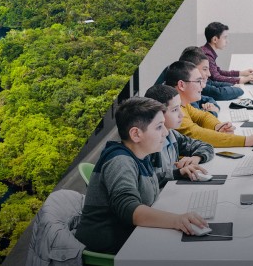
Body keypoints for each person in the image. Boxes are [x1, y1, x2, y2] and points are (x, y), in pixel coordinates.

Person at [75, 97, 208, 255]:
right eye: (159, 127)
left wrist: (178, 172)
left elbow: (147, 181)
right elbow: (129, 208)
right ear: (136, 134)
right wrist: (177, 220)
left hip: (131, 235)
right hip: (114, 246)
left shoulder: (140, 155)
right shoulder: (120, 161)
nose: (166, 132)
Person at [164, 60, 253, 147]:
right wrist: (247, 140)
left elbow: (203, 116)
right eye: (198, 81)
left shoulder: (182, 103)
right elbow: (197, 134)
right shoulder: (173, 111)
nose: (203, 86)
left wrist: (217, 126)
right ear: (181, 85)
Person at [145, 84, 214, 188]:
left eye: (180, 107)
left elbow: (205, 146)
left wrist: (197, 157)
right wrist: (177, 173)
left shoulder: (172, 135)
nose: (181, 114)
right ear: (158, 114)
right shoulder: (148, 144)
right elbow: (145, 184)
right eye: (174, 110)